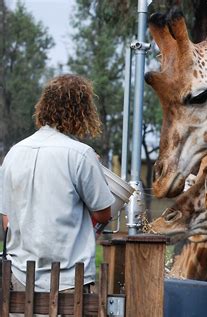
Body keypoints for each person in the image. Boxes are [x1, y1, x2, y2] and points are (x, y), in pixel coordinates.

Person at [0, 74, 114, 314]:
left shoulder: (13, 153)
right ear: (82, 111)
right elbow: (104, 214)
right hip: (69, 279)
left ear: (44, 106)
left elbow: (7, 219)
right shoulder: (80, 154)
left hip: (20, 277)